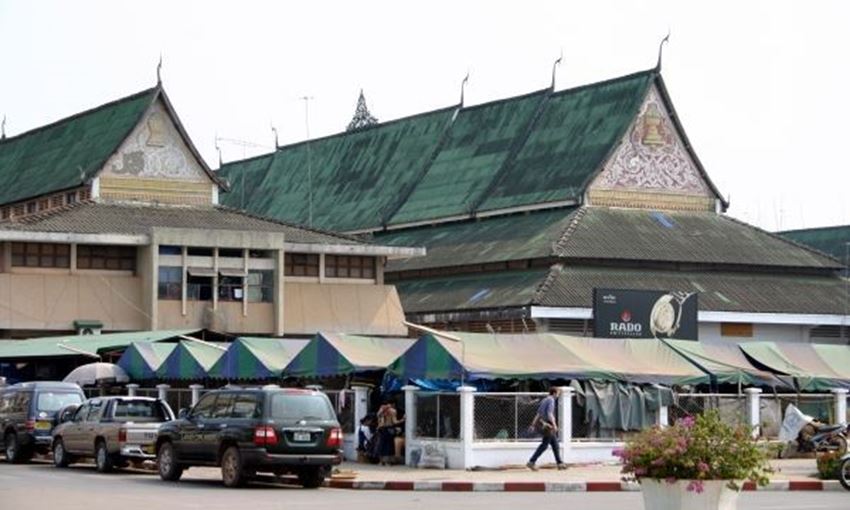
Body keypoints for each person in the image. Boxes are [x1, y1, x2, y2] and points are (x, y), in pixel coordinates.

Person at [527, 387, 566, 471]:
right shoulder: (551, 400)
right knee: (544, 445)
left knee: (555, 444)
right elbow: (549, 413)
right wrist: (555, 425)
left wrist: (533, 424)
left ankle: (560, 463)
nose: (559, 395)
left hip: (544, 424)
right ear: (554, 393)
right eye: (558, 393)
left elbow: (538, 414)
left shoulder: (544, 400)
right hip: (548, 425)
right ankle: (532, 461)